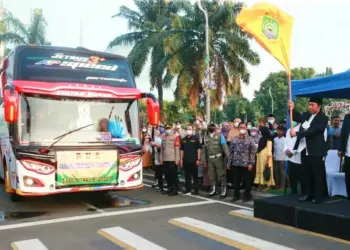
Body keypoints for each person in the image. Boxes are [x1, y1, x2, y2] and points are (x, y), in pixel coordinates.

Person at [289, 98, 328, 204]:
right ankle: (307, 194)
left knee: (317, 174)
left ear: (319, 106)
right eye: (309, 105)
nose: (310, 107)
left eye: (312, 105)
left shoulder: (322, 118)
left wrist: (297, 134)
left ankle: (318, 196)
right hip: (304, 148)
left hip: (316, 150)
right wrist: (292, 109)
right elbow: (296, 117)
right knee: (305, 173)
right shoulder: (306, 115)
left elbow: (314, 131)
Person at [227, 122, 256, 202]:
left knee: (247, 181)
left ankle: (247, 196)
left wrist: (251, 163)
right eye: (241, 127)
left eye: (244, 127)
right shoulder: (234, 139)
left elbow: (253, 152)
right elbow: (231, 152)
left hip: (246, 164)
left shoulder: (250, 139)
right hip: (236, 163)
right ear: (238, 128)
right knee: (236, 181)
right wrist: (229, 162)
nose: (242, 129)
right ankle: (236, 196)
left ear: (246, 129)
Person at [203, 122, 229, 198]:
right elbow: (204, 150)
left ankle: (224, 191)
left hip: (218, 158)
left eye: (213, 126)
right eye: (210, 126)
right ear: (208, 128)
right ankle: (213, 190)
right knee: (211, 175)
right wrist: (204, 160)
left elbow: (225, 147)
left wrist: (228, 158)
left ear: (215, 128)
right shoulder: (205, 138)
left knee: (221, 174)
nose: (211, 127)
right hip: (210, 159)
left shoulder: (220, 136)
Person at [285, 121, 306, 195]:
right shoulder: (288, 130)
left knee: (301, 176)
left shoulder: (302, 129)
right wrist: (286, 150)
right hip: (290, 157)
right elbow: (286, 141)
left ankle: (304, 192)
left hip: (298, 157)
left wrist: (293, 152)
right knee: (291, 175)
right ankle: (293, 190)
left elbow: (303, 144)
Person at [180, 125, 201, 195]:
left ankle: (196, 190)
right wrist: (181, 160)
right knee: (187, 176)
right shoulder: (183, 140)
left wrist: (198, 159)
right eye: (187, 129)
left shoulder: (196, 138)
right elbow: (182, 150)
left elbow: (199, 149)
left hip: (194, 160)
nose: (189, 130)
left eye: (190, 129)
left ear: (192, 130)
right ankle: (188, 189)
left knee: (195, 176)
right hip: (186, 161)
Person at [160, 124, 180, 196]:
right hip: (165, 159)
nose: (167, 129)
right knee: (167, 175)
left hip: (172, 159)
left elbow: (177, 149)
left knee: (173, 175)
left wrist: (177, 159)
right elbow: (162, 149)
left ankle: (175, 189)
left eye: (168, 128)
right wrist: (161, 158)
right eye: (166, 128)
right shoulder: (163, 137)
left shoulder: (175, 137)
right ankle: (169, 188)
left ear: (171, 129)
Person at [254, 126, 275, 191]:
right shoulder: (261, 139)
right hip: (260, 158)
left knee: (267, 171)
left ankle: (268, 185)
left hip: (266, 159)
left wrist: (267, 161)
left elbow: (269, 152)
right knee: (260, 171)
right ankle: (261, 184)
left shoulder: (269, 140)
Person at [338, 113, 350, 200]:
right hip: (348, 151)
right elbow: (343, 133)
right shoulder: (347, 117)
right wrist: (340, 149)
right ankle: (349, 195)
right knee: (348, 175)